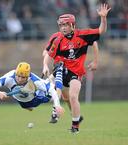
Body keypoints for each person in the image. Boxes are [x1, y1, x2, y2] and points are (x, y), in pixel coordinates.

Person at [42, 4, 111, 133]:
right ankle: (55, 110)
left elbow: (101, 30)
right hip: (61, 68)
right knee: (56, 84)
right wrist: (45, 65)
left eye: (66, 25)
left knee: (73, 97)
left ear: (72, 25)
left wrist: (103, 18)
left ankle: (75, 126)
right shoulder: (57, 40)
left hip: (76, 72)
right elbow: (48, 55)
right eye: (61, 25)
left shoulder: (83, 35)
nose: (63, 28)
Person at [0, 62, 64, 117]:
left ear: (28, 76)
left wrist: (57, 105)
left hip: (35, 98)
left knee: (51, 94)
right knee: (29, 108)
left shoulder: (34, 80)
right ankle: (50, 78)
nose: (20, 79)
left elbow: (51, 90)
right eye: (18, 76)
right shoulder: (8, 78)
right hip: (22, 101)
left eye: (23, 77)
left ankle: (58, 71)